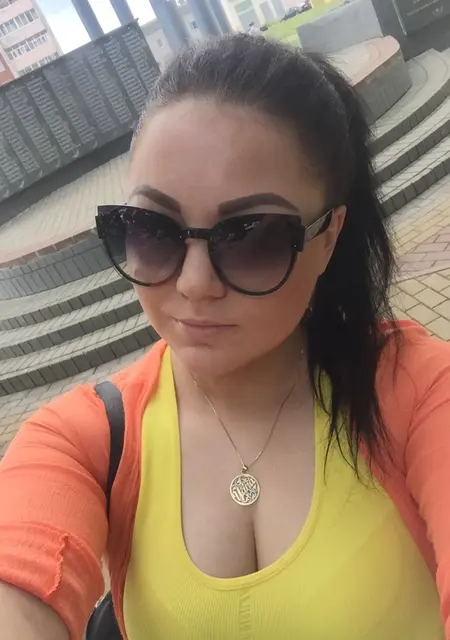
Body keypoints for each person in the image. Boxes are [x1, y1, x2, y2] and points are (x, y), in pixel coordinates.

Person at [0, 34, 449, 640]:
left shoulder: (417, 389)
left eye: (252, 237)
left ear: (327, 238)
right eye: (153, 229)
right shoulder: (84, 439)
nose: (194, 284)